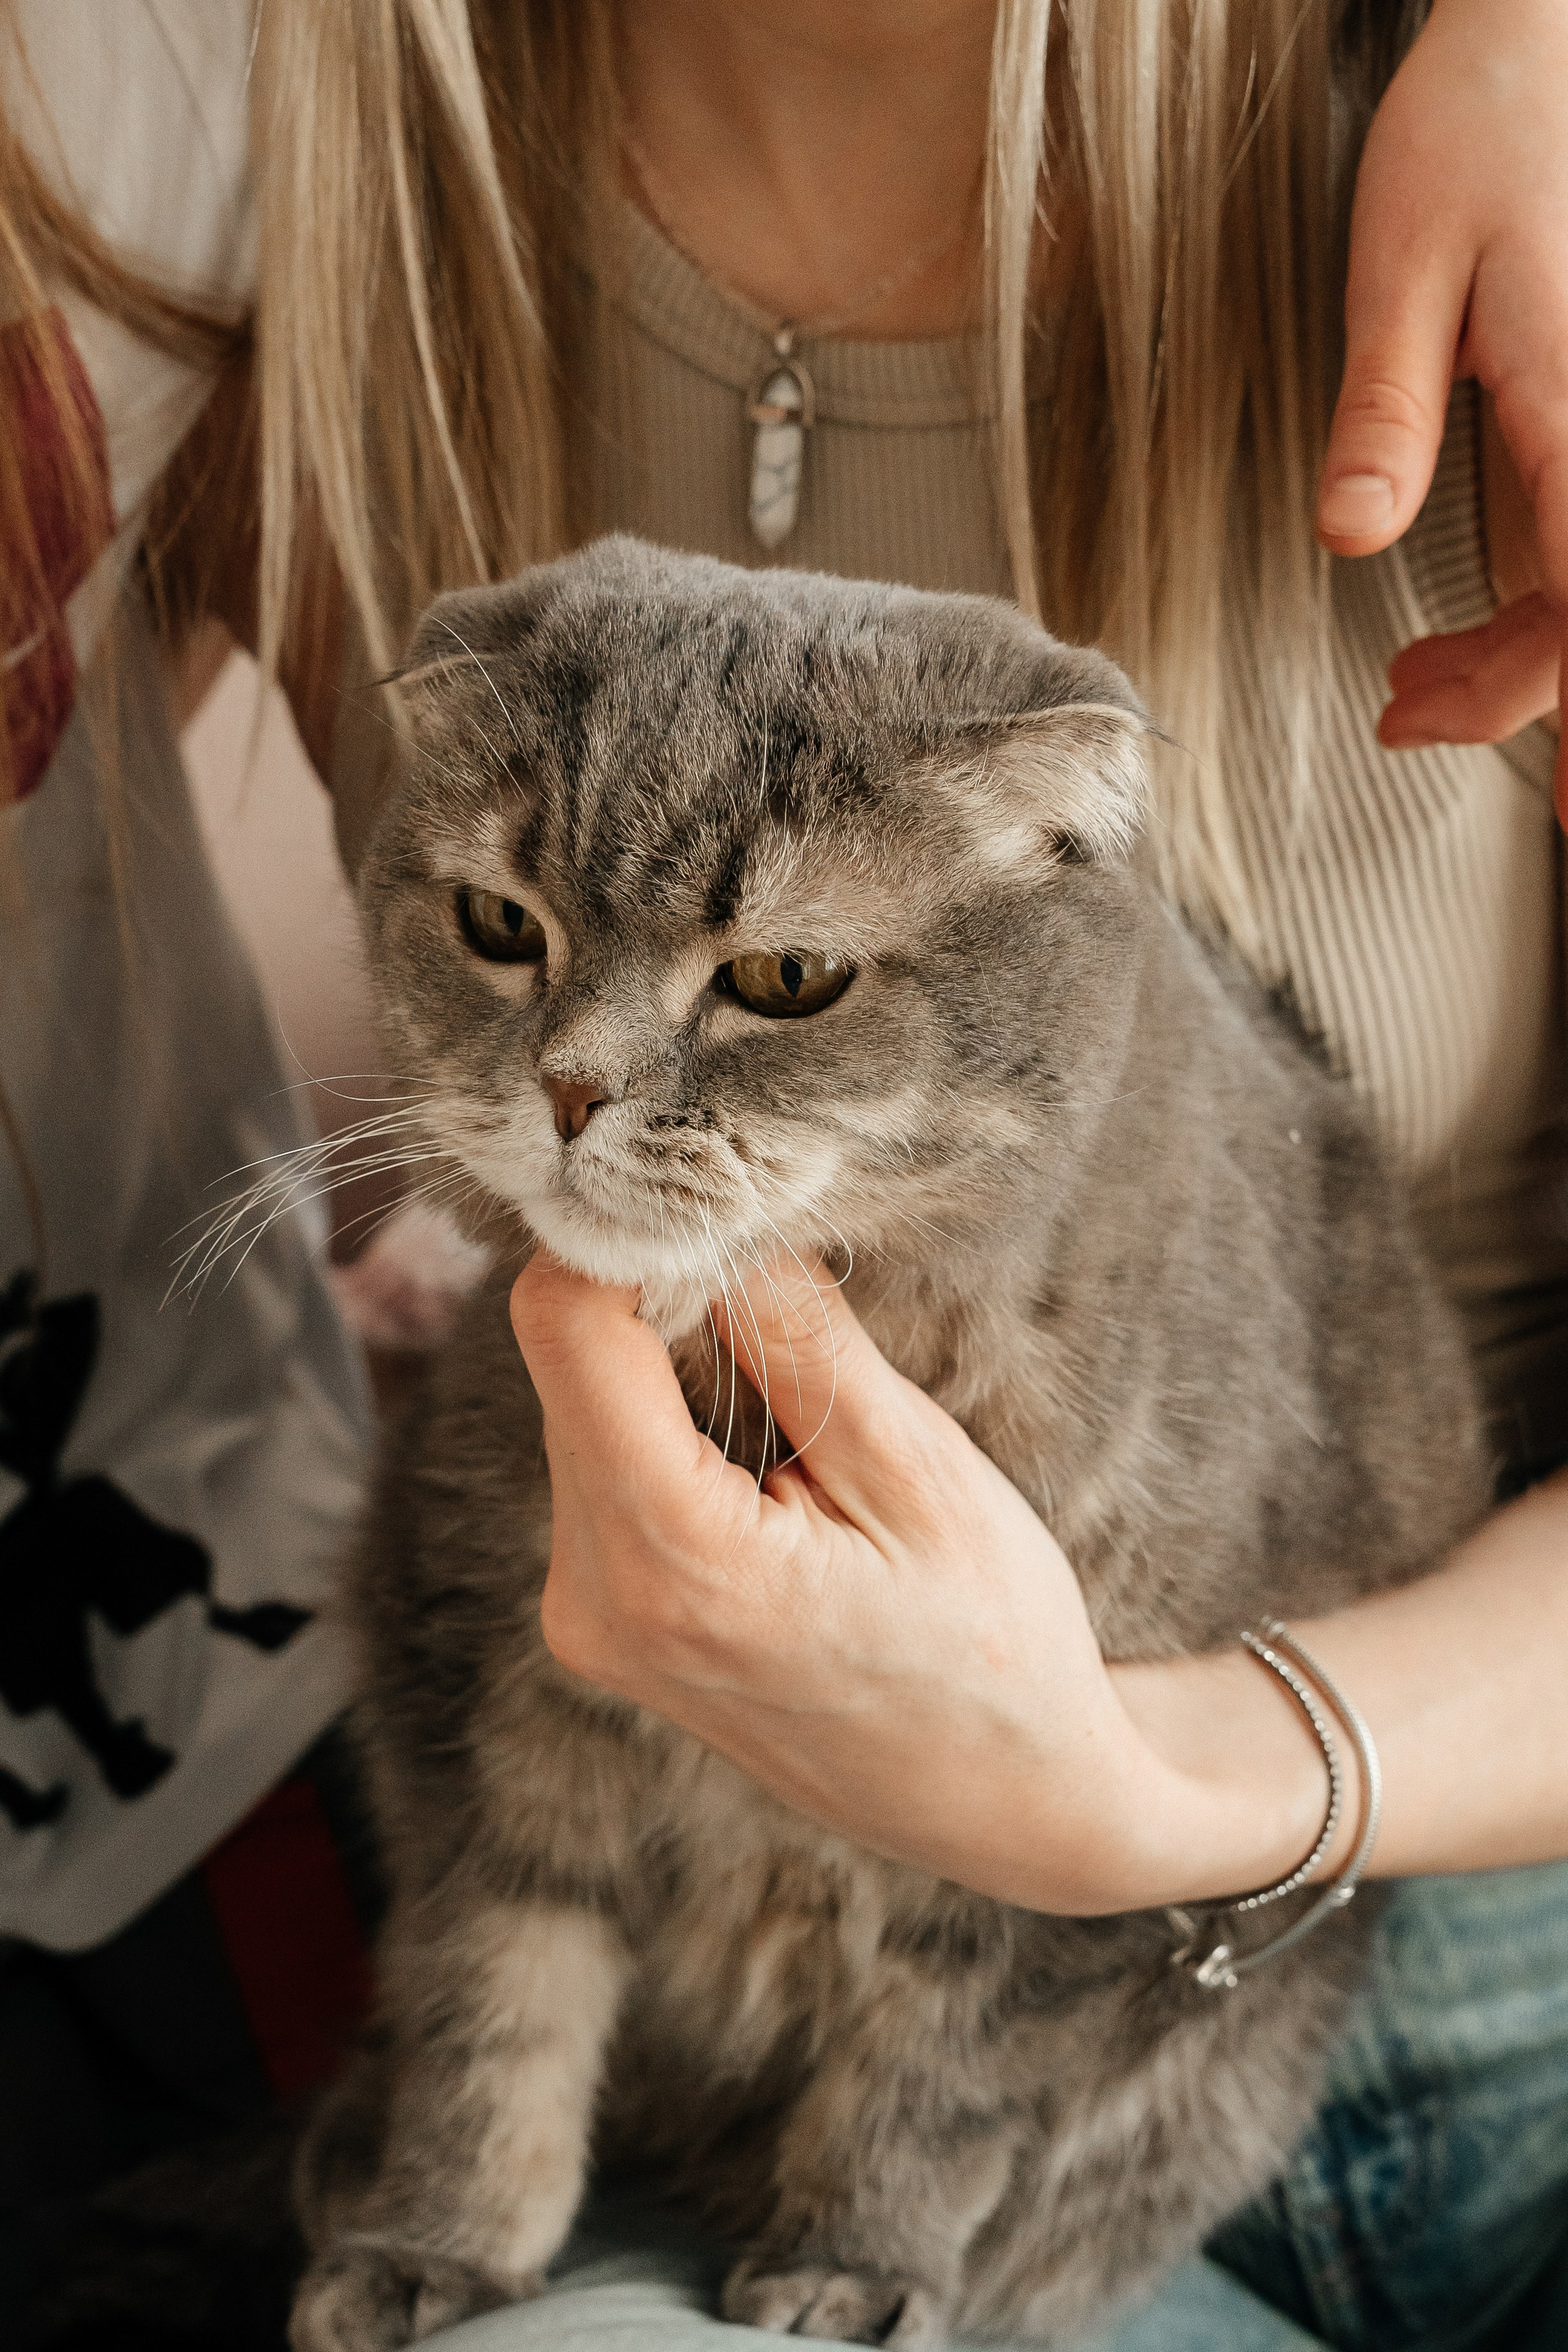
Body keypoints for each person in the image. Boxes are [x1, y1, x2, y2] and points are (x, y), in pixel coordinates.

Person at [2, 2, 1567, 2347]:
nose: (587, 1086)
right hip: (717, 2052)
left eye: (780, 977)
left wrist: (1140, 1796)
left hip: (1480, 1889)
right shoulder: (291, 128)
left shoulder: (1484, 143)